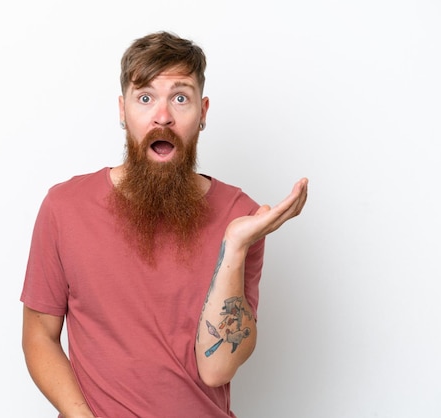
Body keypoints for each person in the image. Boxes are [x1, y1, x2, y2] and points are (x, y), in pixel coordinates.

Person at [20, 31, 308, 418]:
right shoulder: (64, 207)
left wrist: (235, 247)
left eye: (180, 97)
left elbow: (217, 368)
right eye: (145, 98)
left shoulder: (241, 216)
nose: (163, 115)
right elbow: (40, 334)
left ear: (203, 112)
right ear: (122, 110)